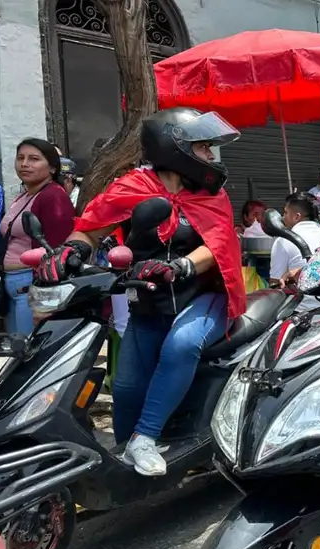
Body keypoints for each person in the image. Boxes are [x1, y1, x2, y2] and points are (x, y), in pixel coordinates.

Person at [34, 107, 247, 475]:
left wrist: (181, 266)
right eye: (203, 147)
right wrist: (72, 249)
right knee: (127, 388)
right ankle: (125, 463)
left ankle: (145, 438)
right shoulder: (133, 187)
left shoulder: (212, 195)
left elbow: (218, 245)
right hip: (149, 300)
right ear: (173, 147)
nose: (211, 157)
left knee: (181, 345)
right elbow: (90, 228)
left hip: (205, 295)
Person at [0, 139, 75, 336]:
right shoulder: (24, 195)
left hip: (32, 286)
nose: (25, 164)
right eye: (20, 158)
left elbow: (57, 247)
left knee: (27, 351)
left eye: (34, 159)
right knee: (14, 352)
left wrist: (45, 296)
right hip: (13, 286)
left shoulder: (53, 197)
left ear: (51, 168)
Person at [270, 193, 320, 312]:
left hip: (299, 312)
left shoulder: (283, 241)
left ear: (297, 216)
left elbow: (276, 285)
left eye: (286, 213)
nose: (283, 217)